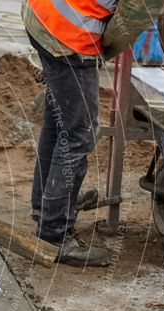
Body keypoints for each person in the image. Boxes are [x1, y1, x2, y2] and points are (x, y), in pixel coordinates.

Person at [23, 0, 116, 267]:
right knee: (78, 137)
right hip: (70, 36)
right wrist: (102, 49)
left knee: (58, 121)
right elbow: (129, 21)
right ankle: (55, 235)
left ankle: (47, 207)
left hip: (42, 15)